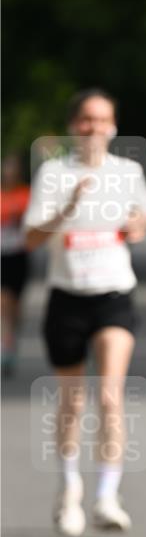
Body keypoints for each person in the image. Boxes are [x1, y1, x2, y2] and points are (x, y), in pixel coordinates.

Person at [24, 89, 146, 537]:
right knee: (72, 401)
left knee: (111, 395)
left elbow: (145, 214)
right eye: (85, 120)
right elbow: (31, 239)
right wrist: (67, 209)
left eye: (102, 120)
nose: (94, 128)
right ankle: (70, 490)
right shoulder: (54, 174)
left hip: (113, 293)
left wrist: (138, 222)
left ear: (113, 127)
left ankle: (107, 497)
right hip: (67, 296)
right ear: (73, 126)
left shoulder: (127, 171)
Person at [1, 153, 31, 376]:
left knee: (15, 306)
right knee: (3, 302)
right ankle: (6, 347)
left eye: (13, 168)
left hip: (18, 256)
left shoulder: (25, 194)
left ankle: (11, 341)